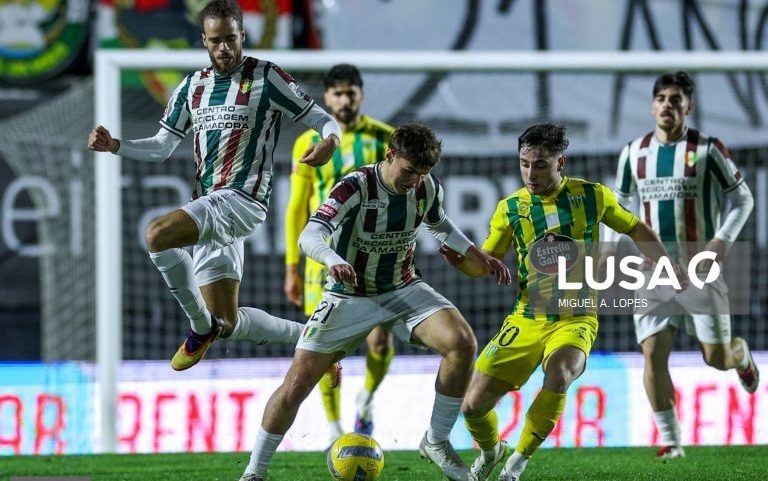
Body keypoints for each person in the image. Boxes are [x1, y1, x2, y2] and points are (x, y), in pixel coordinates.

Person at [240, 122, 511, 481]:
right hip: (349, 295)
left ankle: (436, 440)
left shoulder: (426, 187)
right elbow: (310, 234)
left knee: (462, 343)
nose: (414, 180)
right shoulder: (354, 186)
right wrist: (332, 259)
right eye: (409, 171)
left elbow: (440, 224)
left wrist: (477, 253)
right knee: (296, 384)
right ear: (390, 155)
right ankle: (254, 472)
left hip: (403, 287)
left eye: (423, 172)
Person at [87, 0, 342, 372]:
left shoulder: (266, 77)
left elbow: (323, 119)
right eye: (216, 41)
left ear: (243, 35)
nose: (225, 48)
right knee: (228, 323)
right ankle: (314, 339)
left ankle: (197, 327)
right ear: (204, 41)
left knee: (157, 235)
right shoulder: (192, 86)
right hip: (210, 203)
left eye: (231, 39)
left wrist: (330, 142)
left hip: (244, 199)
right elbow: (161, 146)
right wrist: (115, 146)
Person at [451, 124, 687, 481]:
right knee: (472, 406)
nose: (531, 173)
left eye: (541, 164)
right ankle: (491, 450)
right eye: (525, 163)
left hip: (576, 319)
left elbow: (635, 228)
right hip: (526, 319)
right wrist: (461, 261)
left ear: (561, 162)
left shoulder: (592, 196)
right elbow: (485, 263)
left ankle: (516, 464)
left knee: (559, 373)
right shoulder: (510, 208)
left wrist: (666, 263)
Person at [604, 71, 759, 459]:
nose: (667, 106)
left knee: (716, 357)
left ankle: (740, 356)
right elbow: (616, 209)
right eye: (661, 98)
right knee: (653, 350)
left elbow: (743, 199)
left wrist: (722, 240)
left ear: (689, 106)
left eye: (676, 99)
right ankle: (671, 441)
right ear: (652, 105)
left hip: (701, 267)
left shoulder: (708, 150)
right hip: (652, 270)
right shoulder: (633, 153)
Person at [284, 64, 396, 442]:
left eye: (351, 93)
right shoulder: (307, 143)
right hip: (323, 259)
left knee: (380, 341)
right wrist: (291, 267)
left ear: (360, 94)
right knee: (326, 351)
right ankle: (334, 429)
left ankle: (366, 400)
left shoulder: (384, 140)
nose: (344, 100)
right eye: (337, 93)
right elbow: (297, 207)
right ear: (327, 97)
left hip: (372, 255)